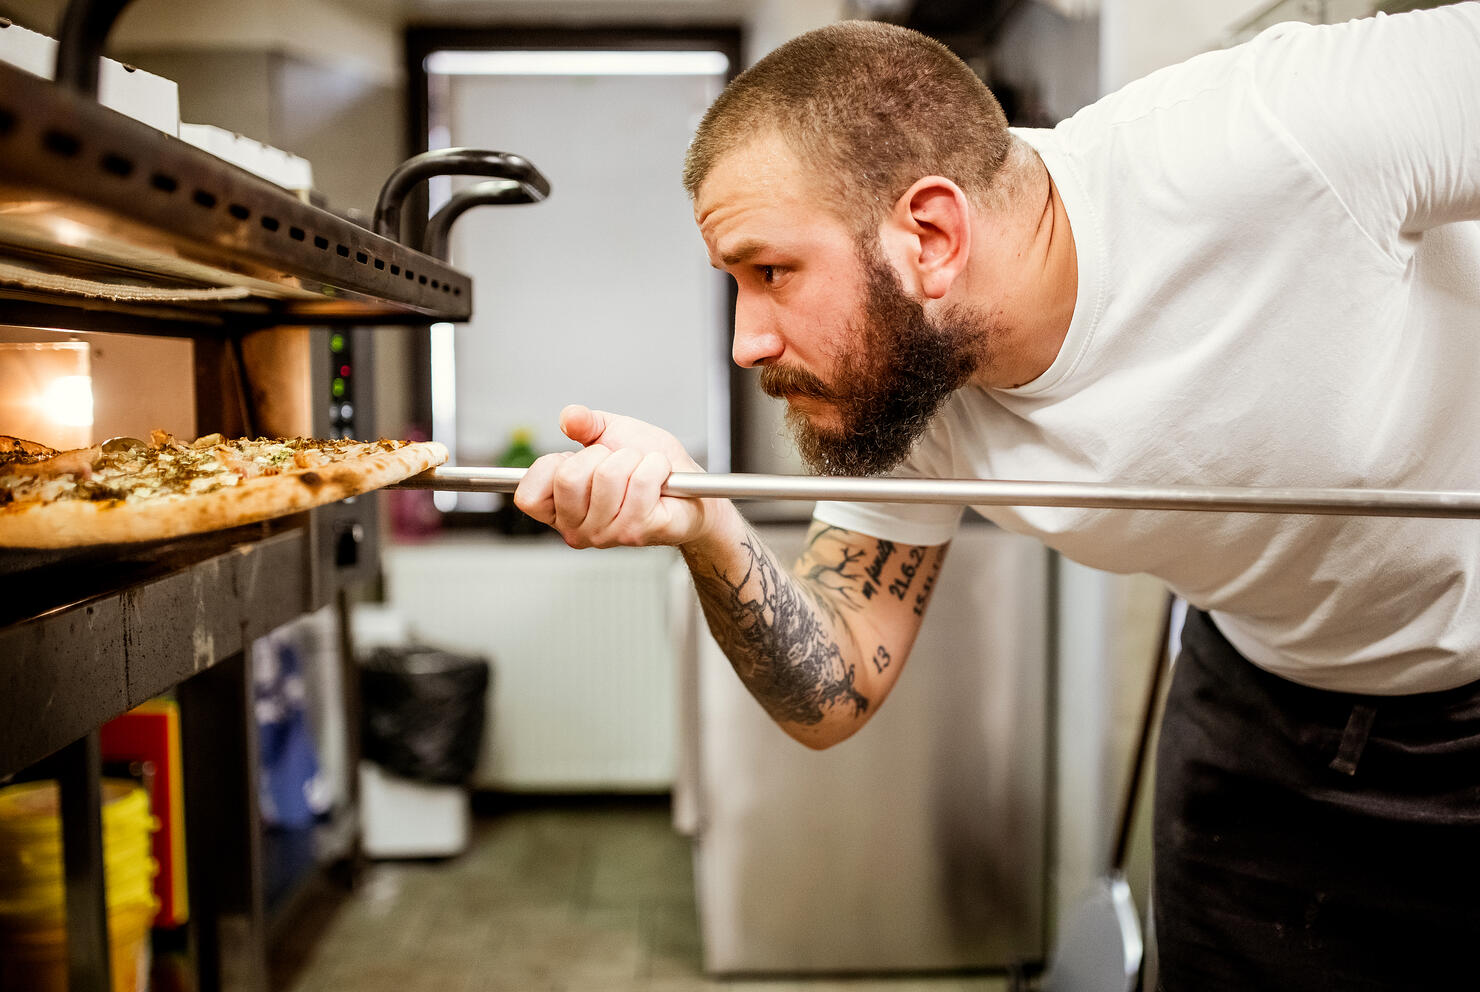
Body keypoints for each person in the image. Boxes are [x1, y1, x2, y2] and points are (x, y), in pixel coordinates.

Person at [514, 4, 1480, 988]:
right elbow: (833, 686)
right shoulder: (911, 392)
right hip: (1258, 709)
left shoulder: (1276, 131)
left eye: (772, 271)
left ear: (929, 235)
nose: (746, 339)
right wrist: (703, 526)